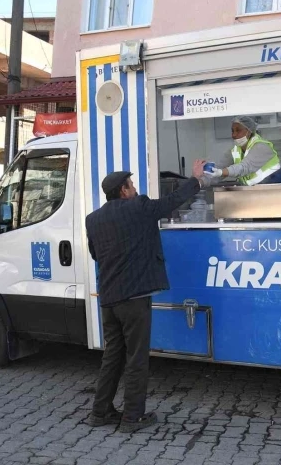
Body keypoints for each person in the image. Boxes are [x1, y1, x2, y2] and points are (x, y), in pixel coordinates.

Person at [85, 160, 210, 433]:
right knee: (136, 358)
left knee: (112, 356)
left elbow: (96, 255)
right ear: (123, 190)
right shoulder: (138, 207)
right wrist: (196, 179)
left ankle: (100, 411)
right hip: (134, 297)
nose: (135, 188)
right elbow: (172, 202)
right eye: (132, 184)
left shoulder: (93, 219)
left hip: (109, 297)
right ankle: (132, 416)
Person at [204, 115, 281, 185]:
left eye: (238, 130)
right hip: (261, 192)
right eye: (232, 131)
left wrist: (220, 172)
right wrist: (202, 179)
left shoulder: (261, 147)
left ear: (249, 131)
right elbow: (219, 170)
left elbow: (244, 167)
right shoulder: (235, 152)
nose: (234, 135)